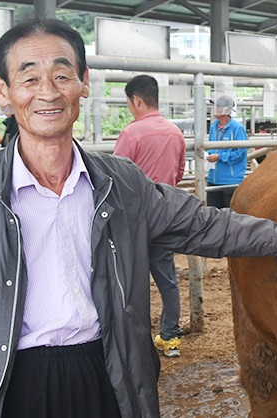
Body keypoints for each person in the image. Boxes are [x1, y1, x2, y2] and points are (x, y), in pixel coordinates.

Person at [0, 18, 277, 418]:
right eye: (29, 78)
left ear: (83, 83)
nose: (48, 91)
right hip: (6, 384)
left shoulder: (121, 184)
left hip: (109, 372)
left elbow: (206, 226)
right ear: (3, 91)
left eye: (62, 75)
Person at [113, 74, 186, 358]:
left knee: (132, 280)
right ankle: (170, 338)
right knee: (167, 278)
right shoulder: (175, 132)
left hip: (134, 217)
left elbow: (115, 176)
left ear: (136, 100)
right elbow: (179, 173)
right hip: (166, 212)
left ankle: (137, 340)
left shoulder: (131, 134)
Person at [206, 95, 248, 208]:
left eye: (218, 106)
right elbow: (211, 147)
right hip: (213, 178)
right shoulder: (213, 127)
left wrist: (220, 157)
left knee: (229, 215)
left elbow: (241, 151)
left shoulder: (237, 128)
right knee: (212, 212)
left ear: (226, 110)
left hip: (230, 180)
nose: (215, 108)